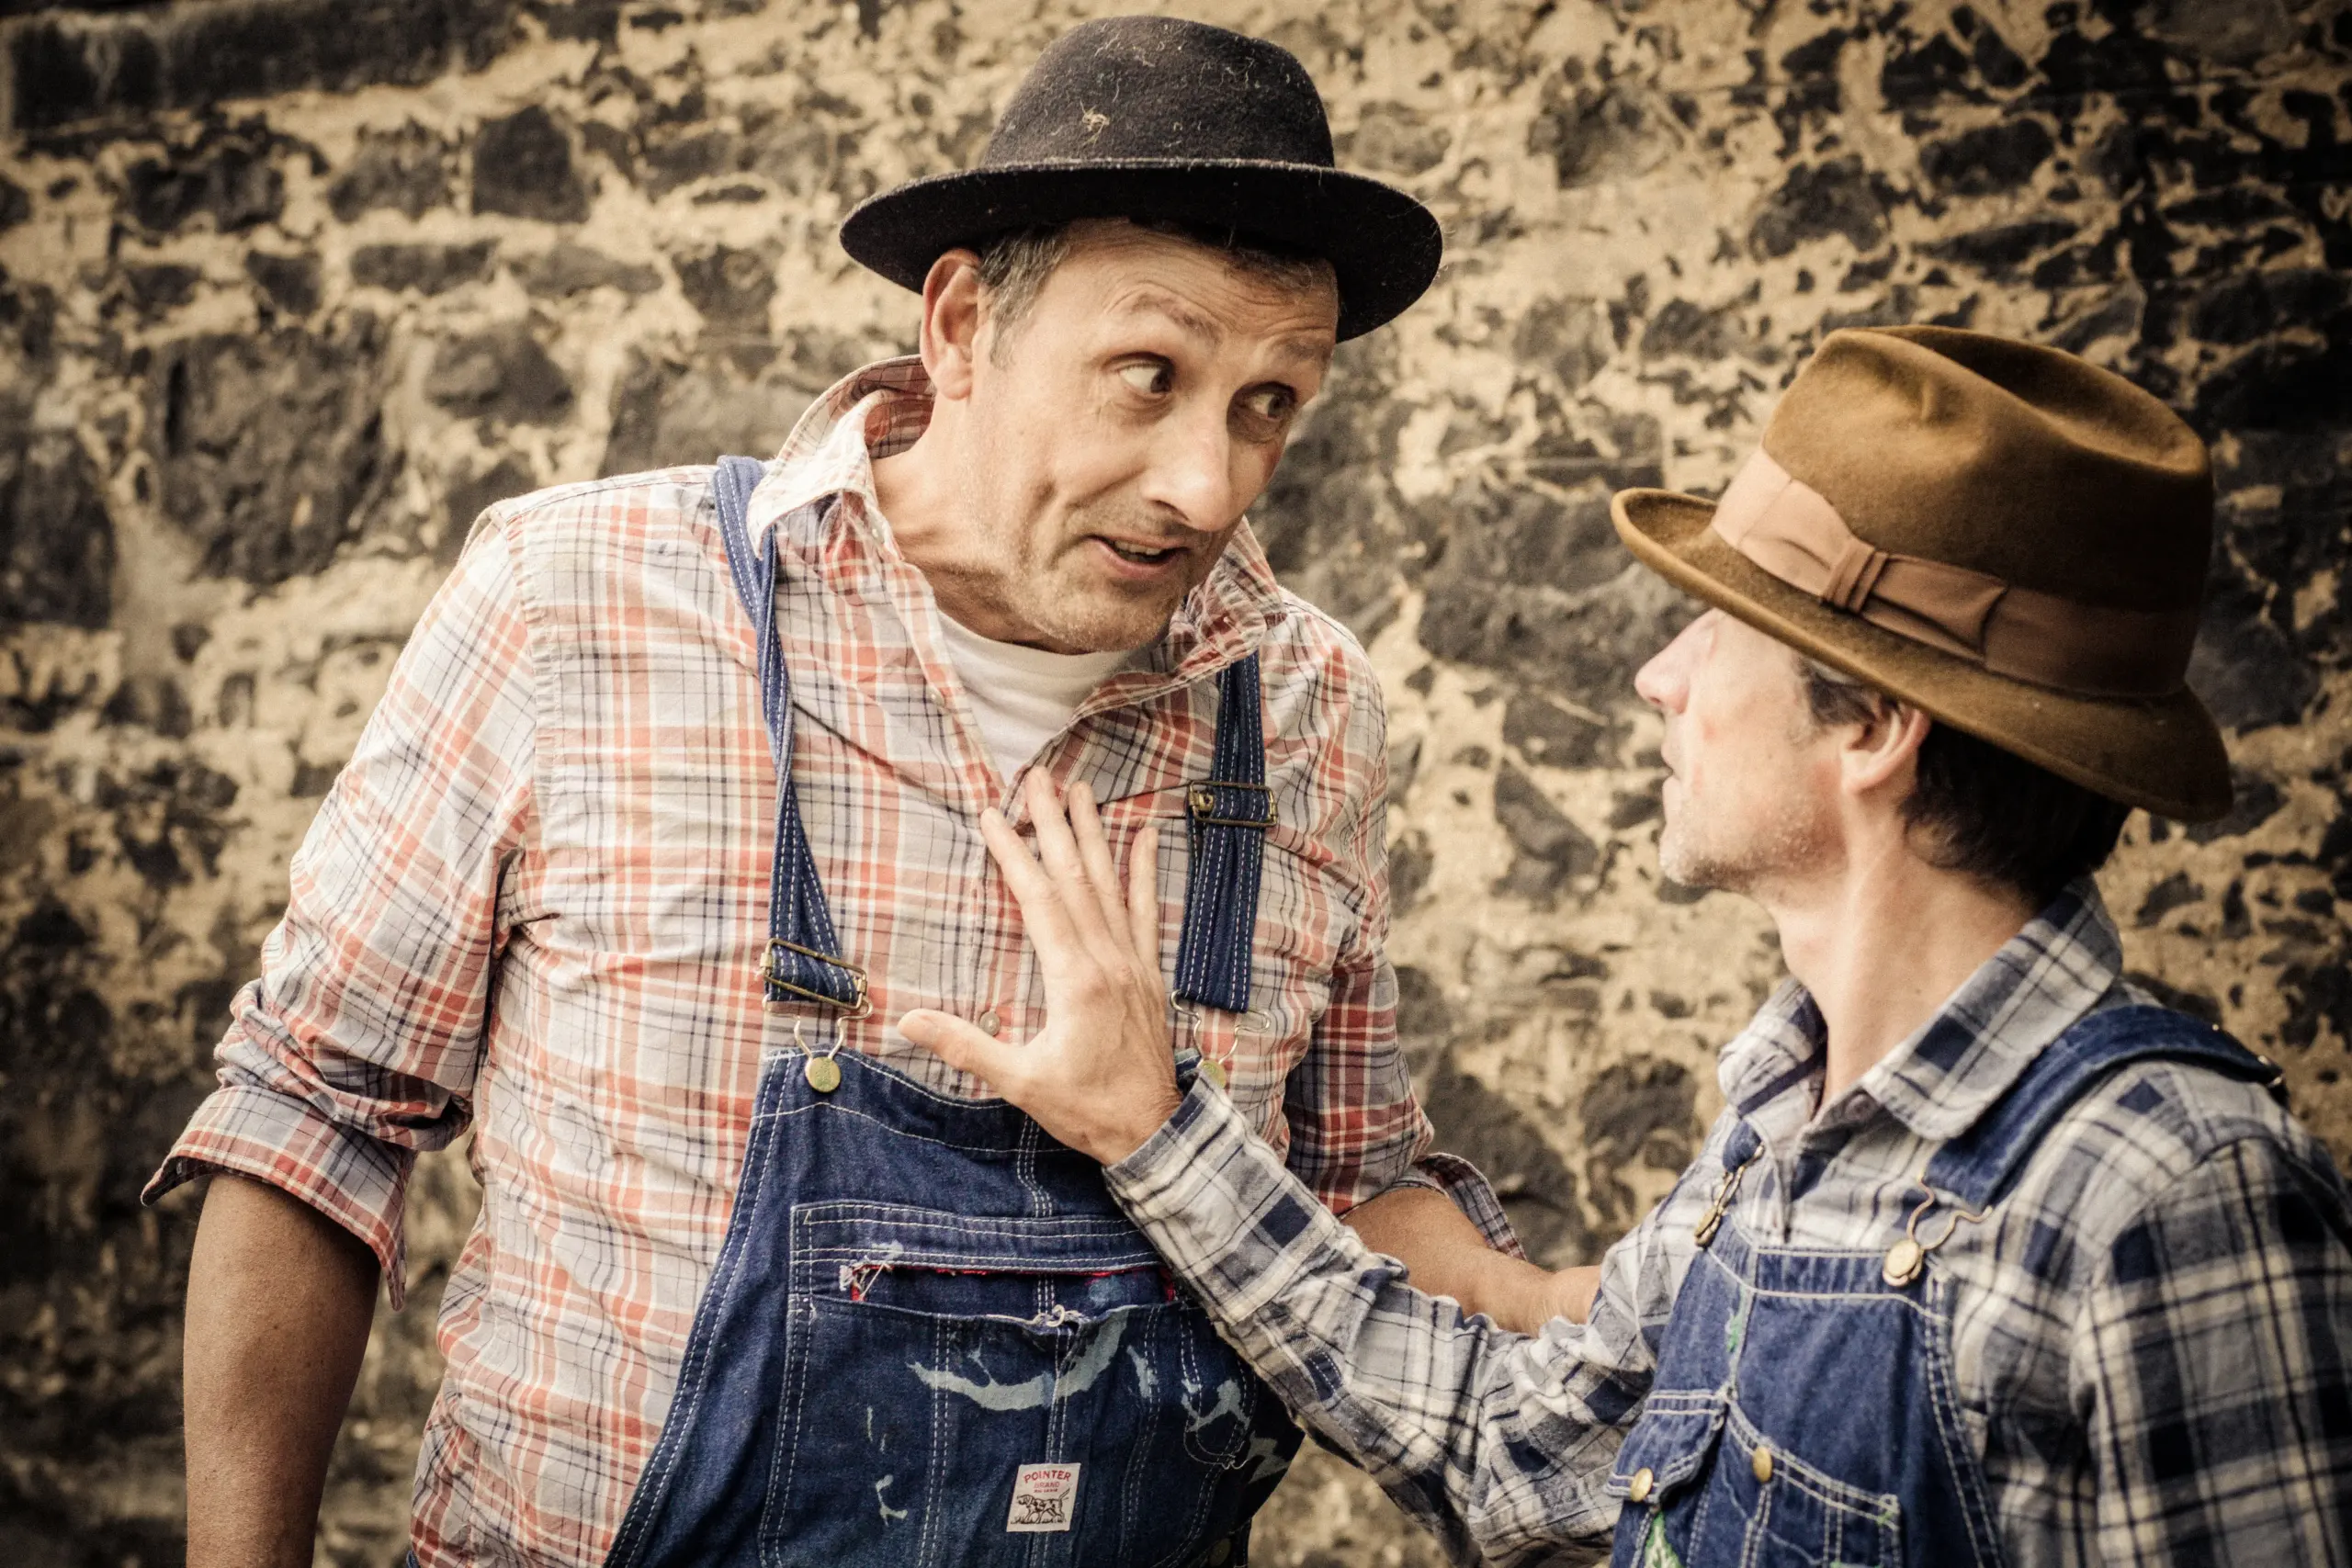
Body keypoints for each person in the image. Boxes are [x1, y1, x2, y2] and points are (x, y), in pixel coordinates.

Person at [149, 17, 1573, 1568]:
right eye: (1146, 376)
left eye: (1269, 401)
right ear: (960, 325)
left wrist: (1592, 1317)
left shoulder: (1308, 711)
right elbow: (317, 1111)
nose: (1207, 484)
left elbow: (1347, 1191)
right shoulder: (579, 599)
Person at [908, 325, 2352, 1566]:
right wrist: (1155, 1128)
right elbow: (1503, 1437)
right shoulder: (1780, 1134)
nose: (1661, 678)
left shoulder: (2169, 1189)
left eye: (1716, 629)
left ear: (1872, 726)